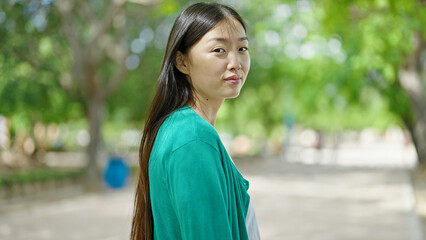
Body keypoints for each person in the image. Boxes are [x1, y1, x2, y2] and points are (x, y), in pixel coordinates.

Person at [131, 2, 260, 240]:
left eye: (242, 48)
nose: (236, 63)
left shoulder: (182, 129)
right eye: (219, 50)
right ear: (182, 62)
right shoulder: (192, 138)